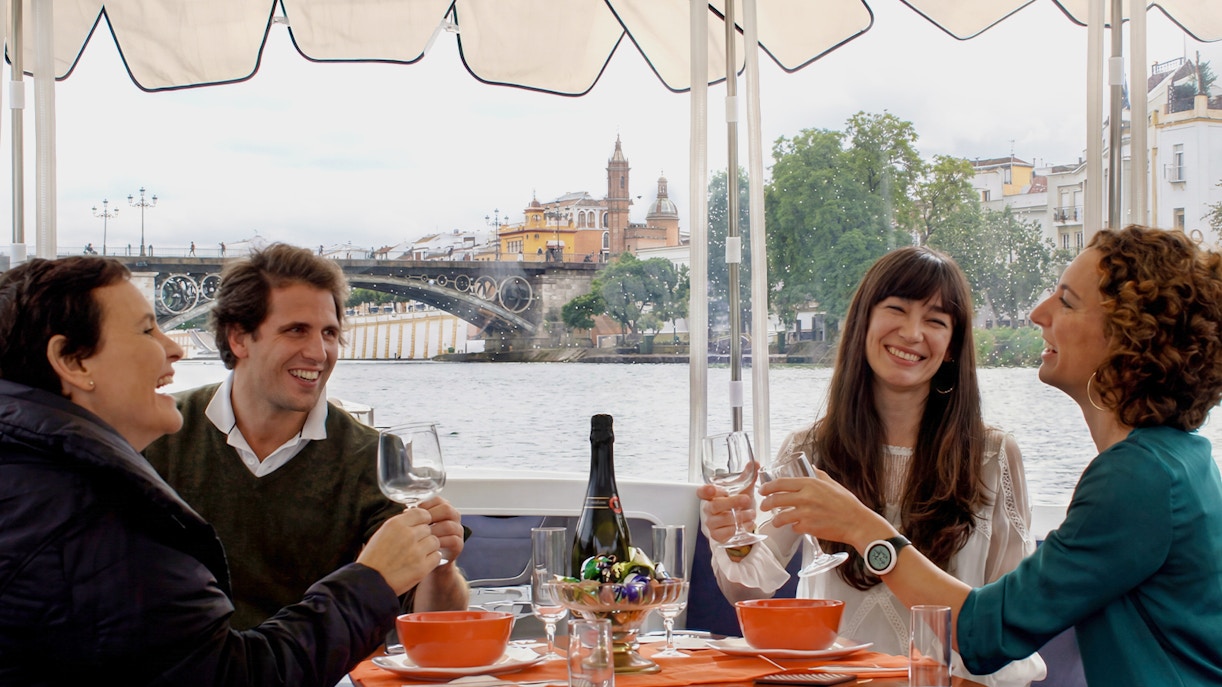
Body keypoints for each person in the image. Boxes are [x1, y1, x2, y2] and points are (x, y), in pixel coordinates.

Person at [774, 226, 1222, 687]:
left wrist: (861, 528)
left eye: (1065, 302)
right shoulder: (1177, 460)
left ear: (1129, 337)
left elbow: (983, 633)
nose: (1037, 312)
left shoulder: (1137, 478)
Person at [0, 256, 441, 685]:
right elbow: (231, 674)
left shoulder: (44, 482)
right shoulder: (100, 513)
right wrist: (373, 581)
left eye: (330, 332)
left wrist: (432, 562)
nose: (174, 345)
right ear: (73, 362)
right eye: (145, 329)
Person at [700, 246, 1044, 685]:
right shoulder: (810, 450)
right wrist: (732, 538)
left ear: (953, 347)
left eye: (935, 321)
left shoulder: (993, 456)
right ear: (863, 322)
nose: (912, 333)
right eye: (896, 309)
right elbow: (749, 588)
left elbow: (1010, 621)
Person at [143, 243, 469, 629]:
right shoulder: (158, 433)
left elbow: (430, 619)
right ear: (239, 339)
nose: (318, 352)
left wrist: (441, 566)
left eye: (329, 333)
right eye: (296, 330)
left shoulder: (371, 455)